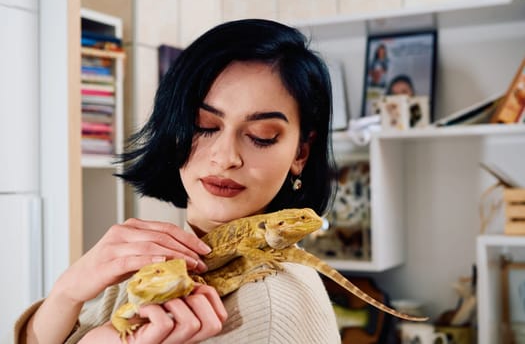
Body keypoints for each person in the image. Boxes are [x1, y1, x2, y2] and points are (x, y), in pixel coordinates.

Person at [14, 18, 340, 343]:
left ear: (301, 154)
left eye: (261, 136)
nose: (226, 157)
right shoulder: (152, 259)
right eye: (204, 125)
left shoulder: (269, 312)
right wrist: (67, 292)